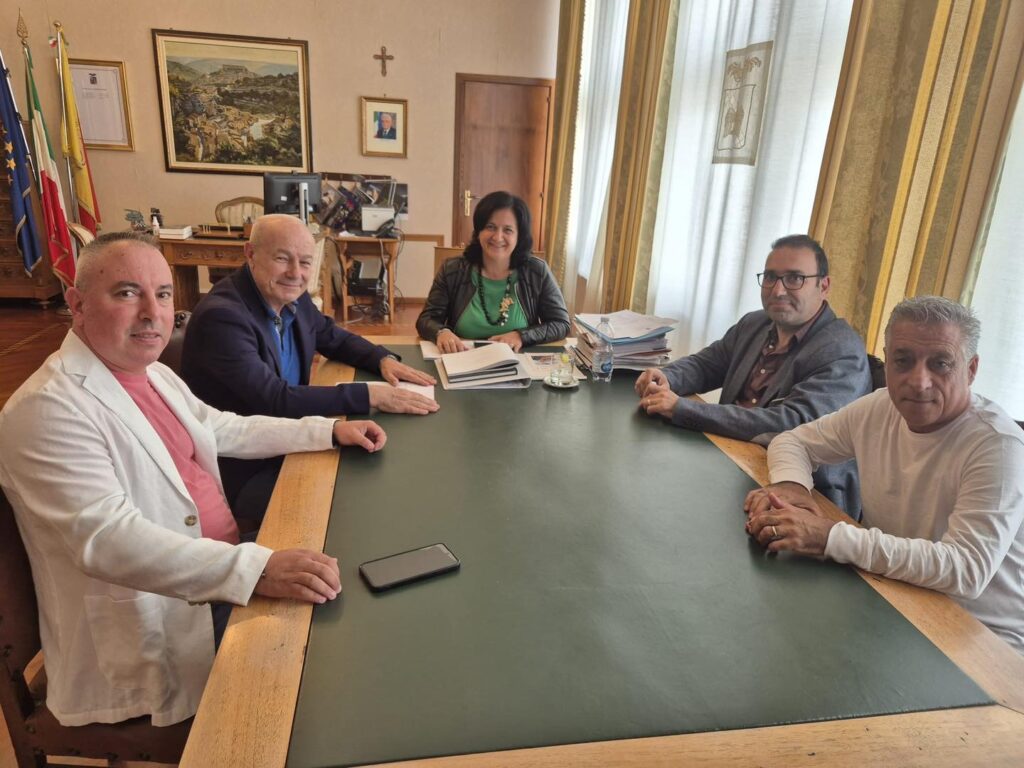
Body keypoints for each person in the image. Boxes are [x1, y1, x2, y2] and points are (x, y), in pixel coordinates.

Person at [0, 231, 388, 726]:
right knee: (336, 676)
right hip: (159, 624)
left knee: (353, 566)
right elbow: (107, 541)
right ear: (77, 304)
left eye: (163, 295)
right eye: (127, 293)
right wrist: (257, 569)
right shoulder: (47, 409)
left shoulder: (152, 372)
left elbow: (221, 427)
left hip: (212, 572)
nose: (152, 313)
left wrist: (327, 431)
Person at [746, 296, 1024, 654]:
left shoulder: (998, 445)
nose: (919, 382)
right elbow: (793, 441)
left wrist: (830, 536)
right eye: (903, 361)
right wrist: (791, 485)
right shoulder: (881, 407)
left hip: (980, 641)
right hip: (894, 598)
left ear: (971, 370)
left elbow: (966, 570)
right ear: (886, 360)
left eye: (940, 363)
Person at [181, 214, 436, 519]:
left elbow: (330, 335)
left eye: (304, 262)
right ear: (250, 253)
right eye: (282, 258)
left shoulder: (291, 296)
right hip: (248, 466)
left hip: (293, 437)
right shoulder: (223, 318)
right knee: (363, 502)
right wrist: (370, 395)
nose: (295, 273)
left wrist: (380, 359)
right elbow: (274, 399)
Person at [635, 235, 871, 514]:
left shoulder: (842, 351)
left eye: (794, 278)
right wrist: (666, 378)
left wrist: (682, 409)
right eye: (770, 277)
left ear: (824, 286)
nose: (778, 290)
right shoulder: (755, 323)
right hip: (731, 459)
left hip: (802, 497)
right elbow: (706, 365)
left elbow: (790, 425)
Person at [416, 190, 570, 353]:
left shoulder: (537, 272)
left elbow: (561, 323)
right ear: (478, 232)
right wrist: (441, 332)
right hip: (463, 357)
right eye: (490, 227)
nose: (497, 237)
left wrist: (521, 336)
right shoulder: (452, 270)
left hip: (517, 359)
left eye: (508, 230)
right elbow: (427, 319)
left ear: (519, 236)